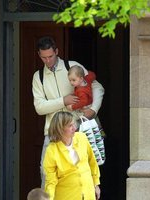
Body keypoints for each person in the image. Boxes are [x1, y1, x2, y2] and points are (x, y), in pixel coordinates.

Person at [32, 36, 104, 188]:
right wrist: (63, 101)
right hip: (53, 131)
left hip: (78, 128)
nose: (48, 61)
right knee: (47, 172)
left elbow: (97, 87)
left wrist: (93, 109)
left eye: (51, 56)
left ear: (57, 51)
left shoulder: (72, 66)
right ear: (39, 55)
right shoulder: (38, 77)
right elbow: (39, 107)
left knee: (82, 170)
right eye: (44, 57)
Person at [43, 111, 101, 200]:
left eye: (74, 124)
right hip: (66, 196)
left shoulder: (82, 138)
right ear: (60, 129)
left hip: (88, 194)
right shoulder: (51, 150)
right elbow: (51, 181)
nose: (74, 128)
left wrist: (96, 184)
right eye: (70, 126)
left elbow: (92, 162)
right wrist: (49, 198)